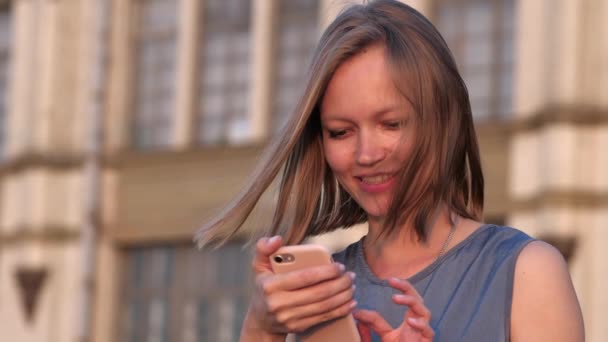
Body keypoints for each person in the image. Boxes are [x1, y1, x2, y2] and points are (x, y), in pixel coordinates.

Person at [195, 1, 585, 341]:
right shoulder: (317, 293)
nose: (366, 154)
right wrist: (262, 328)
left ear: (441, 119)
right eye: (341, 131)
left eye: (391, 124)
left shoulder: (528, 273)